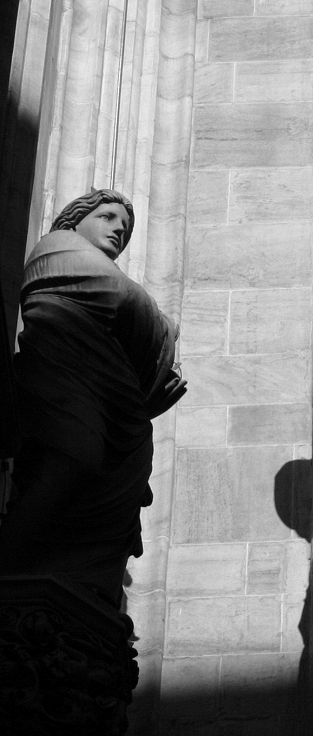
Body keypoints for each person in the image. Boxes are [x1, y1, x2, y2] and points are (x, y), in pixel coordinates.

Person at [0, 189, 186, 608]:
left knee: (106, 484)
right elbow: (121, 295)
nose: (119, 227)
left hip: (108, 405)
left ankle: (80, 586)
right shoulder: (55, 249)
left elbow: (130, 310)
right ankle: (9, 561)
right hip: (61, 383)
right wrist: (161, 328)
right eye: (107, 216)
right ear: (74, 221)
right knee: (71, 460)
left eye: (125, 225)